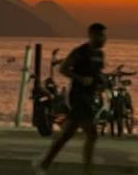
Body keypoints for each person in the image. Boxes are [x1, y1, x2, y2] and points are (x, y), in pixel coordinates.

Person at [33, 23, 107, 175]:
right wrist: (80, 79)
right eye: (100, 35)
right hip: (78, 97)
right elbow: (63, 68)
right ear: (92, 35)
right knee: (92, 133)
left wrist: (102, 82)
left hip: (89, 96)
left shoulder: (100, 55)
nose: (104, 38)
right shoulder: (80, 52)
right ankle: (87, 171)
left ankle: (44, 164)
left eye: (105, 35)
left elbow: (97, 73)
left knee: (67, 134)